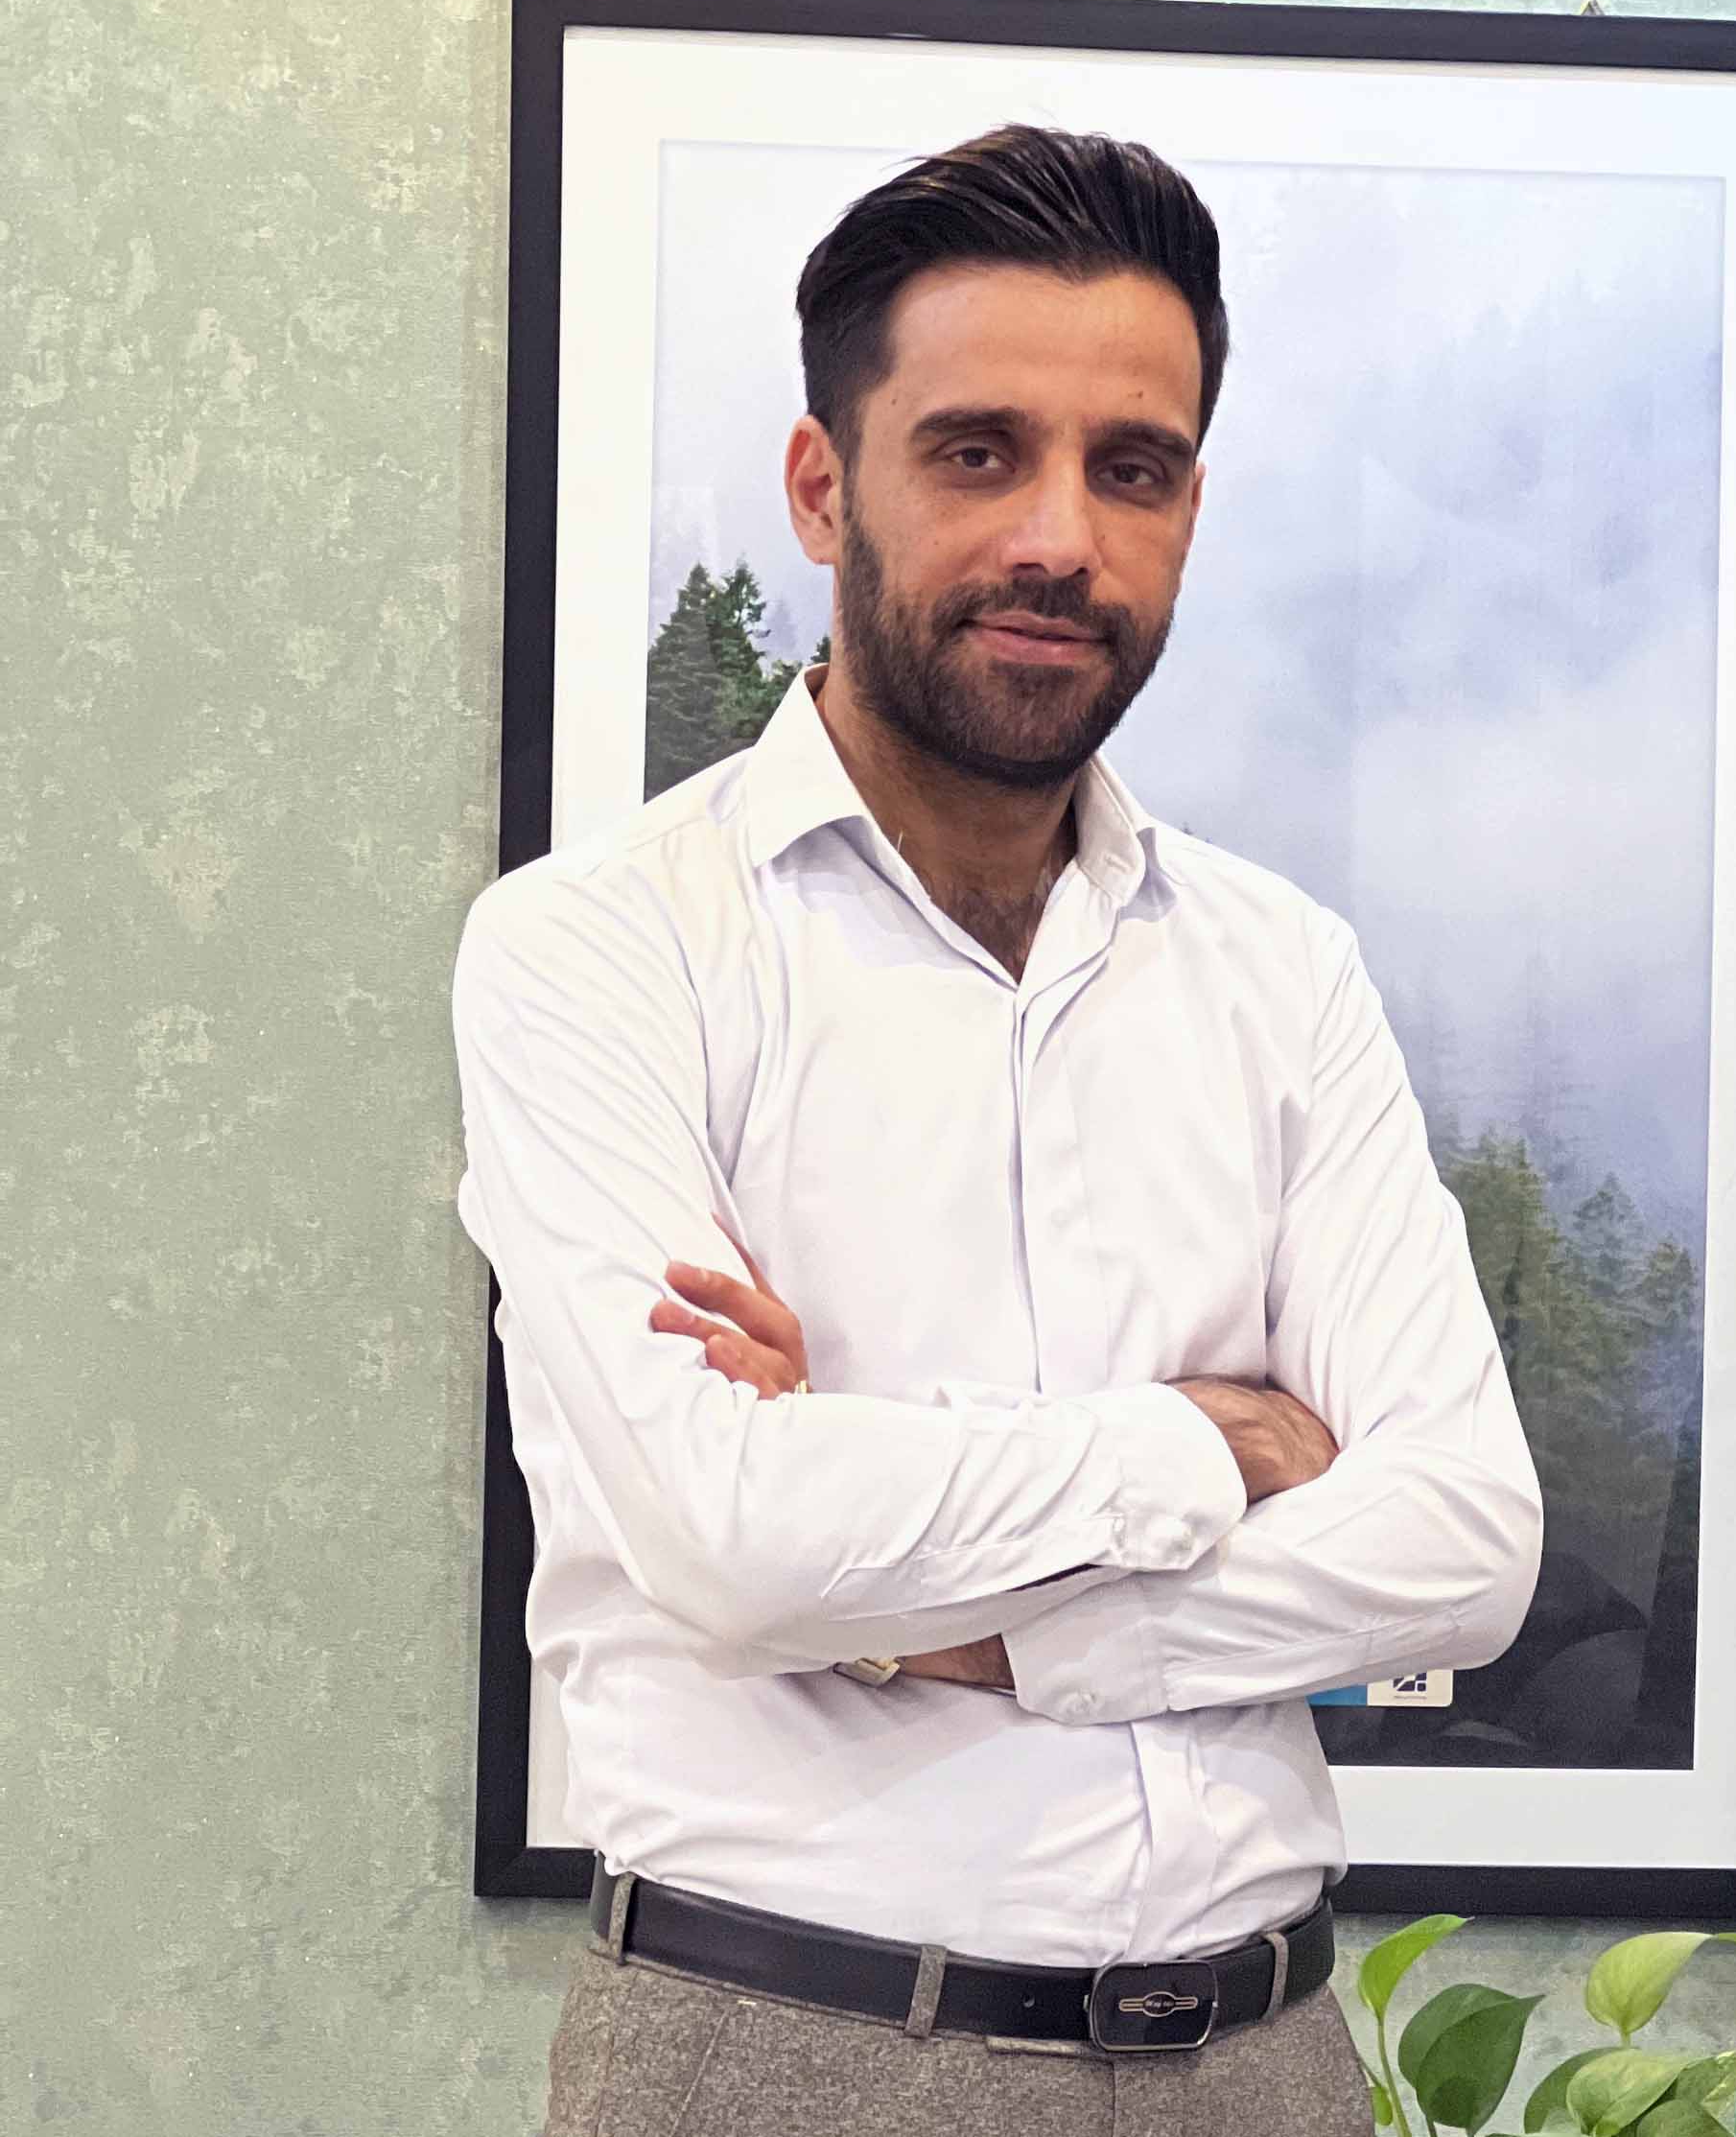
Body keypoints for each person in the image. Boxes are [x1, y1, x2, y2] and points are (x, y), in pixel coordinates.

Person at [451, 124, 1545, 2137]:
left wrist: (959, 1631)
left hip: (1268, 2069)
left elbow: (1465, 1546)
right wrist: (1204, 1445)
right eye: (978, 453)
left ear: (1191, 506)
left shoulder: (1285, 971)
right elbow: (733, 1541)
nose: (1062, 537)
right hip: (785, 2063)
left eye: (1133, 468)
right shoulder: (595, 949)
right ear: (822, 485)